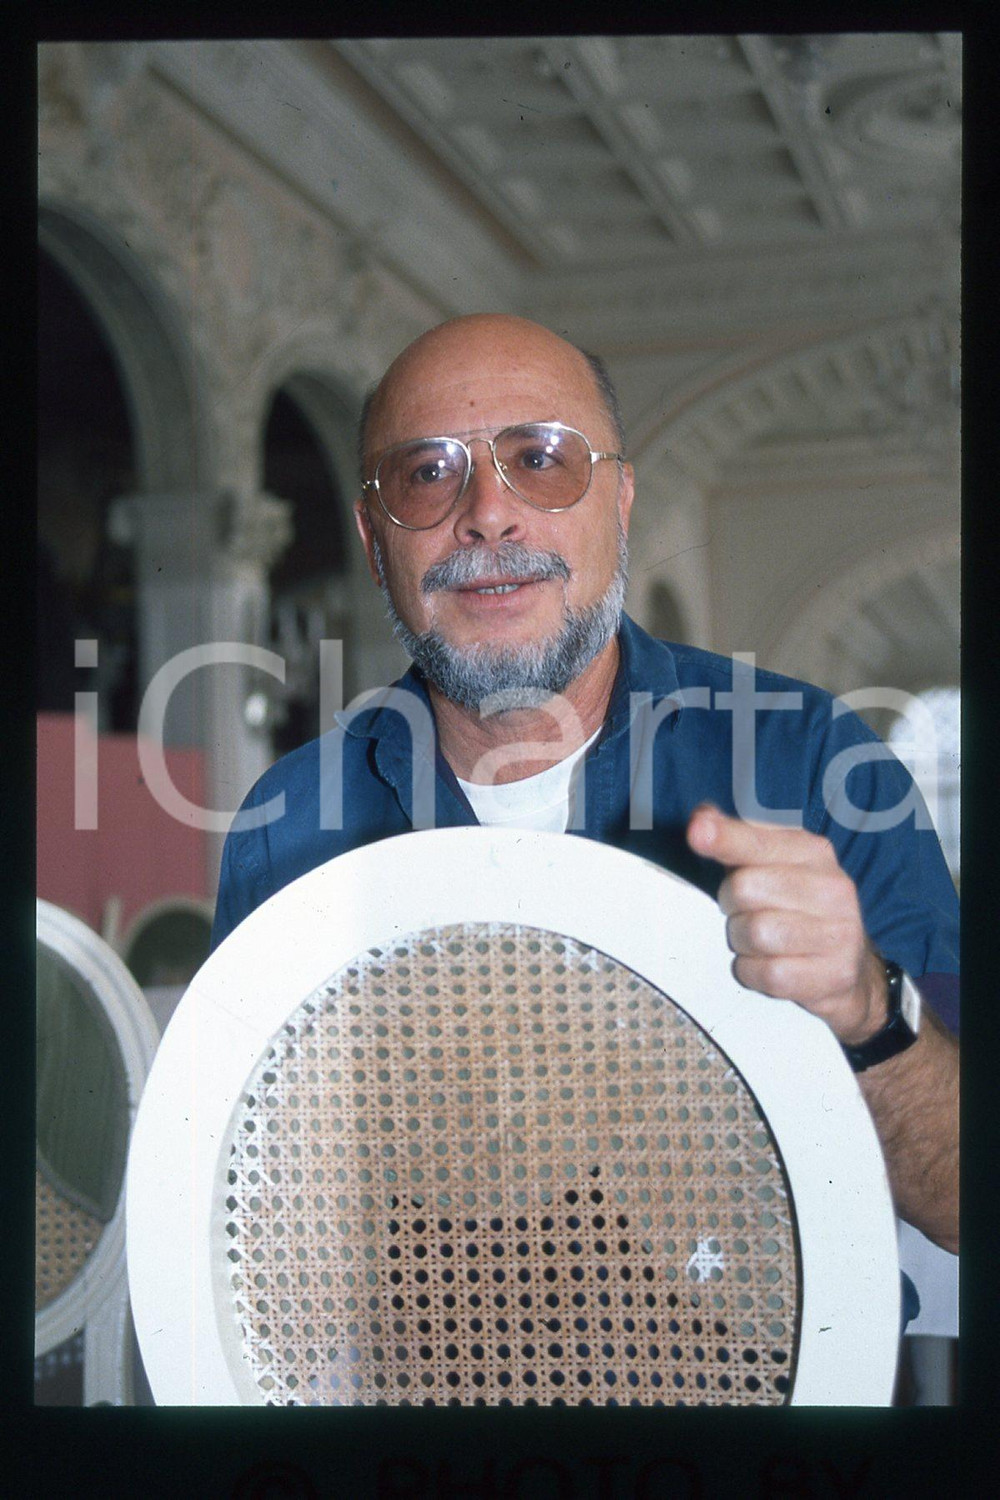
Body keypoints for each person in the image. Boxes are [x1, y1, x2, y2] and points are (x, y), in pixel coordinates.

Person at [212, 314, 958, 1261]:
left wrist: (865, 1008)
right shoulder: (288, 827)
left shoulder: (810, 762)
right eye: (428, 472)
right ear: (373, 540)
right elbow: (256, 1216)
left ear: (620, 504)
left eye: (542, 457)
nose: (488, 511)